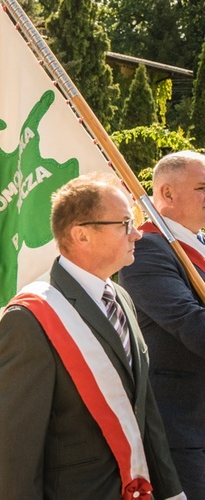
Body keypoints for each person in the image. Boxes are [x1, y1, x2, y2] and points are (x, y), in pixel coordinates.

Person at [0, 173, 184, 499]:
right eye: (124, 223)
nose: (136, 234)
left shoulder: (121, 298)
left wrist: (172, 493)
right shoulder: (29, 319)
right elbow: (17, 451)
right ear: (81, 235)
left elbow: (145, 412)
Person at [118, 150, 205, 498]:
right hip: (185, 427)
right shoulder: (147, 250)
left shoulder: (199, 243)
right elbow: (190, 323)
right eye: (202, 187)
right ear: (166, 194)